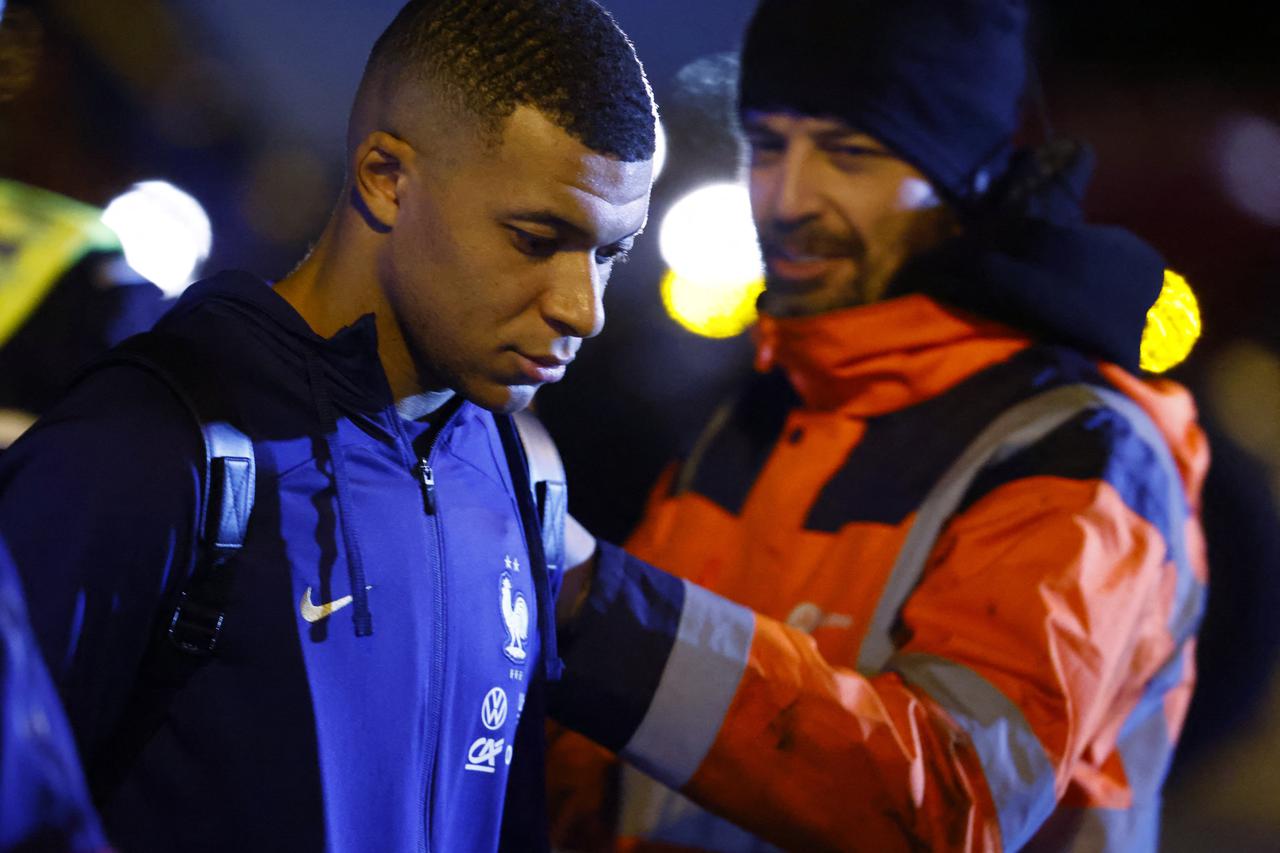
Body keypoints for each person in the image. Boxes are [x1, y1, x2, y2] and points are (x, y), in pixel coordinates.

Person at [545, 1, 1208, 850]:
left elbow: (954, 801)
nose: (787, 198)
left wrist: (595, 605)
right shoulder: (770, 406)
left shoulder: (1076, 444)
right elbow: (611, 771)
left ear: (962, 176)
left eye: (851, 153)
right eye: (770, 143)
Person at [0, 0, 654, 850]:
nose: (585, 308)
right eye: (537, 239)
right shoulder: (150, 449)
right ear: (386, 175)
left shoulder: (523, 474)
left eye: (611, 253)